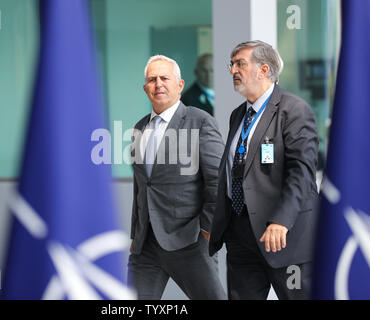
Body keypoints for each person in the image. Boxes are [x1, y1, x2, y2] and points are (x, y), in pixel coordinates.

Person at [208, 41, 319, 300]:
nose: (233, 70)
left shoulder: (294, 110)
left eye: (240, 64)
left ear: (263, 69)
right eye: (231, 64)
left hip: (284, 237)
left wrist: (281, 221)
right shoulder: (238, 115)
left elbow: (301, 172)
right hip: (240, 237)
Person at [128, 54, 226, 300]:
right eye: (152, 79)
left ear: (180, 85)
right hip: (146, 246)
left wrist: (207, 229)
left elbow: (217, 179)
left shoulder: (200, 121)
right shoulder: (139, 129)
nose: (158, 84)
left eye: (164, 78)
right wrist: (135, 235)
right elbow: (142, 188)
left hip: (189, 241)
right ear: (145, 88)